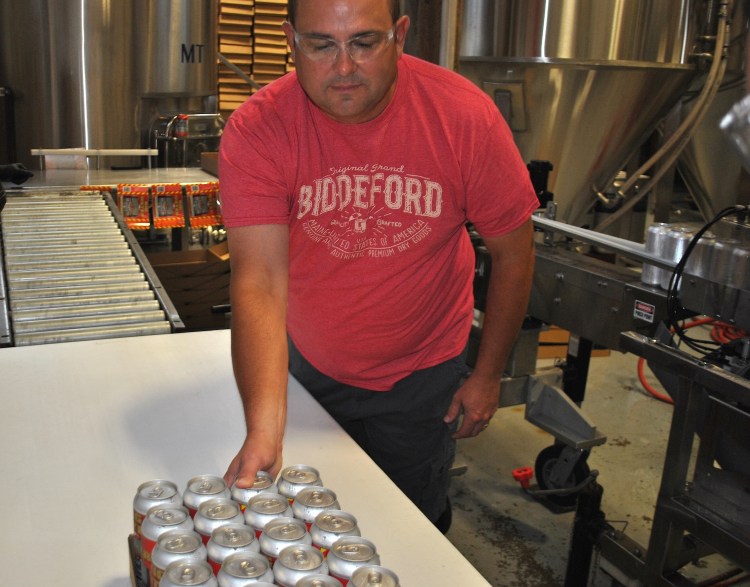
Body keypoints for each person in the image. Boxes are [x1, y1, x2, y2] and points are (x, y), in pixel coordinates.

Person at [219, 0, 538, 532]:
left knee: (410, 526)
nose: (344, 68)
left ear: (400, 35)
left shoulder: (463, 116)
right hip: (309, 365)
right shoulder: (260, 128)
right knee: (309, 526)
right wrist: (265, 428)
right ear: (290, 41)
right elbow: (259, 282)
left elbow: (514, 253)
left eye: (364, 43)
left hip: (423, 374)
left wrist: (487, 375)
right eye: (321, 45)